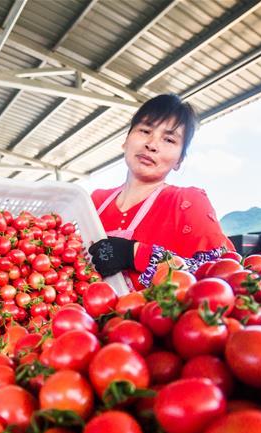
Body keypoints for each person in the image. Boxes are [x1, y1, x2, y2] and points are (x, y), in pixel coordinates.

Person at [88, 94, 234, 289]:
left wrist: (136, 255)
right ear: (125, 140)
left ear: (179, 160)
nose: (152, 145)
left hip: (148, 318)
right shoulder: (94, 201)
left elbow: (221, 273)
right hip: (78, 318)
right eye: (145, 130)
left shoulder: (188, 201)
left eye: (169, 139)